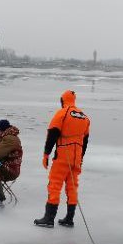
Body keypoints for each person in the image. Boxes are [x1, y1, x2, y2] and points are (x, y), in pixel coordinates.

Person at [33, 90, 90, 228]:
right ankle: (69, 218)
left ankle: (49, 218)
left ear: (62, 100)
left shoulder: (62, 113)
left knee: (54, 185)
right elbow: (85, 141)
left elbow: (52, 134)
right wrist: (80, 159)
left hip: (63, 157)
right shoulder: (85, 117)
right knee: (72, 187)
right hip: (76, 159)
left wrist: (46, 154)